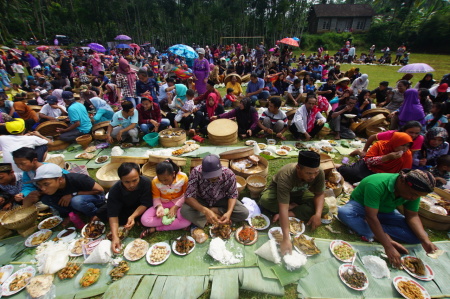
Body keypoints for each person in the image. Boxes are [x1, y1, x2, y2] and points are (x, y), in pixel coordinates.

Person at [338, 169, 438, 267]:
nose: (414, 198)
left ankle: (373, 230)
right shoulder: (377, 184)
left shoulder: (413, 191)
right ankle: (378, 234)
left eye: (418, 196)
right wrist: (388, 245)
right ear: (402, 181)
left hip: (385, 212)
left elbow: (412, 216)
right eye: (413, 194)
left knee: (420, 236)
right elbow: (371, 216)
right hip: (362, 207)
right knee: (344, 213)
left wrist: (426, 241)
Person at [260, 151, 328, 255]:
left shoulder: (319, 173)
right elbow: (283, 207)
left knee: (324, 208)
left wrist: (318, 214)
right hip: (279, 192)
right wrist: (286, 239)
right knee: (265, 201)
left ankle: (291, 212)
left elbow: (319, 194)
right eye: (309, 173)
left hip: (300, 193)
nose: (313, 176)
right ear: (298, 168)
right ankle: (293, 208)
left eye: (315, 172)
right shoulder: (286, 176)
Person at [96, 162, 152, 253]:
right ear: (120, 179)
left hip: (140, 208)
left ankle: (136, 219)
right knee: (102, 212)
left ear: (139, 175)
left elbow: (145, 204)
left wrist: (133, 216)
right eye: (127, 182)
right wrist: (115, 237)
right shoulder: (115, 190)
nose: (131, 185)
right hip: (124, 207)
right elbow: (113, 215)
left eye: (135, 180)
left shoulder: (146, 182)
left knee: (147, 215)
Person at [181, 154, 249, 228]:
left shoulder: (229, 174)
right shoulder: (196, 172)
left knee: (244, 213)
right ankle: (213, 216)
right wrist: (205, 211)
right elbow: (188, 197)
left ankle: (215, 213)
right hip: (202, 200)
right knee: (185, 211)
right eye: (208, 176)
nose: (211, 178)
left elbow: (232, 195)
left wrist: (229, 212)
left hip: (221, 200)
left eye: (214, 176)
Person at [28, 163, 105, 227]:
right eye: (40, 185)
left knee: (76, 200)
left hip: (96, 197)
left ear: (60, 180)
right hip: (77, 202)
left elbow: (100, 190)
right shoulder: (49, 188)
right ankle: (72, 213)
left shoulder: (77, 179)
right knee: (46, 199)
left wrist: (73, 194)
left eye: (46, 184)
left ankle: (95, 214)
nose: (43, 188)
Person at [140, 159, 191, 237]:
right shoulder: (155, 181)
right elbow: (156, 197)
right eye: (161, 180)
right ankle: (175, 220)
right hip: (163, 203)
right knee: (144, 220)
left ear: (173, 174)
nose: (163, 182)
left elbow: (186, 194)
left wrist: (175, 207)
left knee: (187, 221)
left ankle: (156, 229)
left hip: (179, 203)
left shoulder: (183, 177)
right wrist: (159, 207)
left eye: (166, 180)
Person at [339, 132, 413, 184]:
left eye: (408, 146)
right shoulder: (380, 145)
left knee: (372, 184)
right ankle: (339, 166)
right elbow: (368, 161)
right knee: (351, 173)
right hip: (369, 167)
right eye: (403, 145)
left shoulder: (407, 154)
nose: (405, 148)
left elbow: (404, 172)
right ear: (395, 142)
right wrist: (386, 157)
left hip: (385, 176)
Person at [351, 121, 424, 158]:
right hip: (383, 154)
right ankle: (358, 151)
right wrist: (364, 150)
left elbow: (410, 155)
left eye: (416, 133)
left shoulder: (419, 138)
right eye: (411, 132)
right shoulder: (393, 134)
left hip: (399, 157)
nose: (413, 135)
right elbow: (372, 137)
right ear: (404, 130)